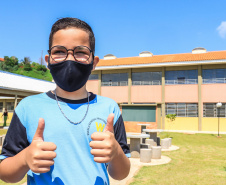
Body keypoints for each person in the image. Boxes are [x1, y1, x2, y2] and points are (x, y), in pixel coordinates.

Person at [0, 17, 130, 184]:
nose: (70, 59)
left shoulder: (109, 108)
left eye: (81, 52)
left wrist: (116, 153)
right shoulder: (27, 107)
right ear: (48, 61)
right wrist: (25, 158)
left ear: (94, 63)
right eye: (59, 51)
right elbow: (5, 172)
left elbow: (121, 173)